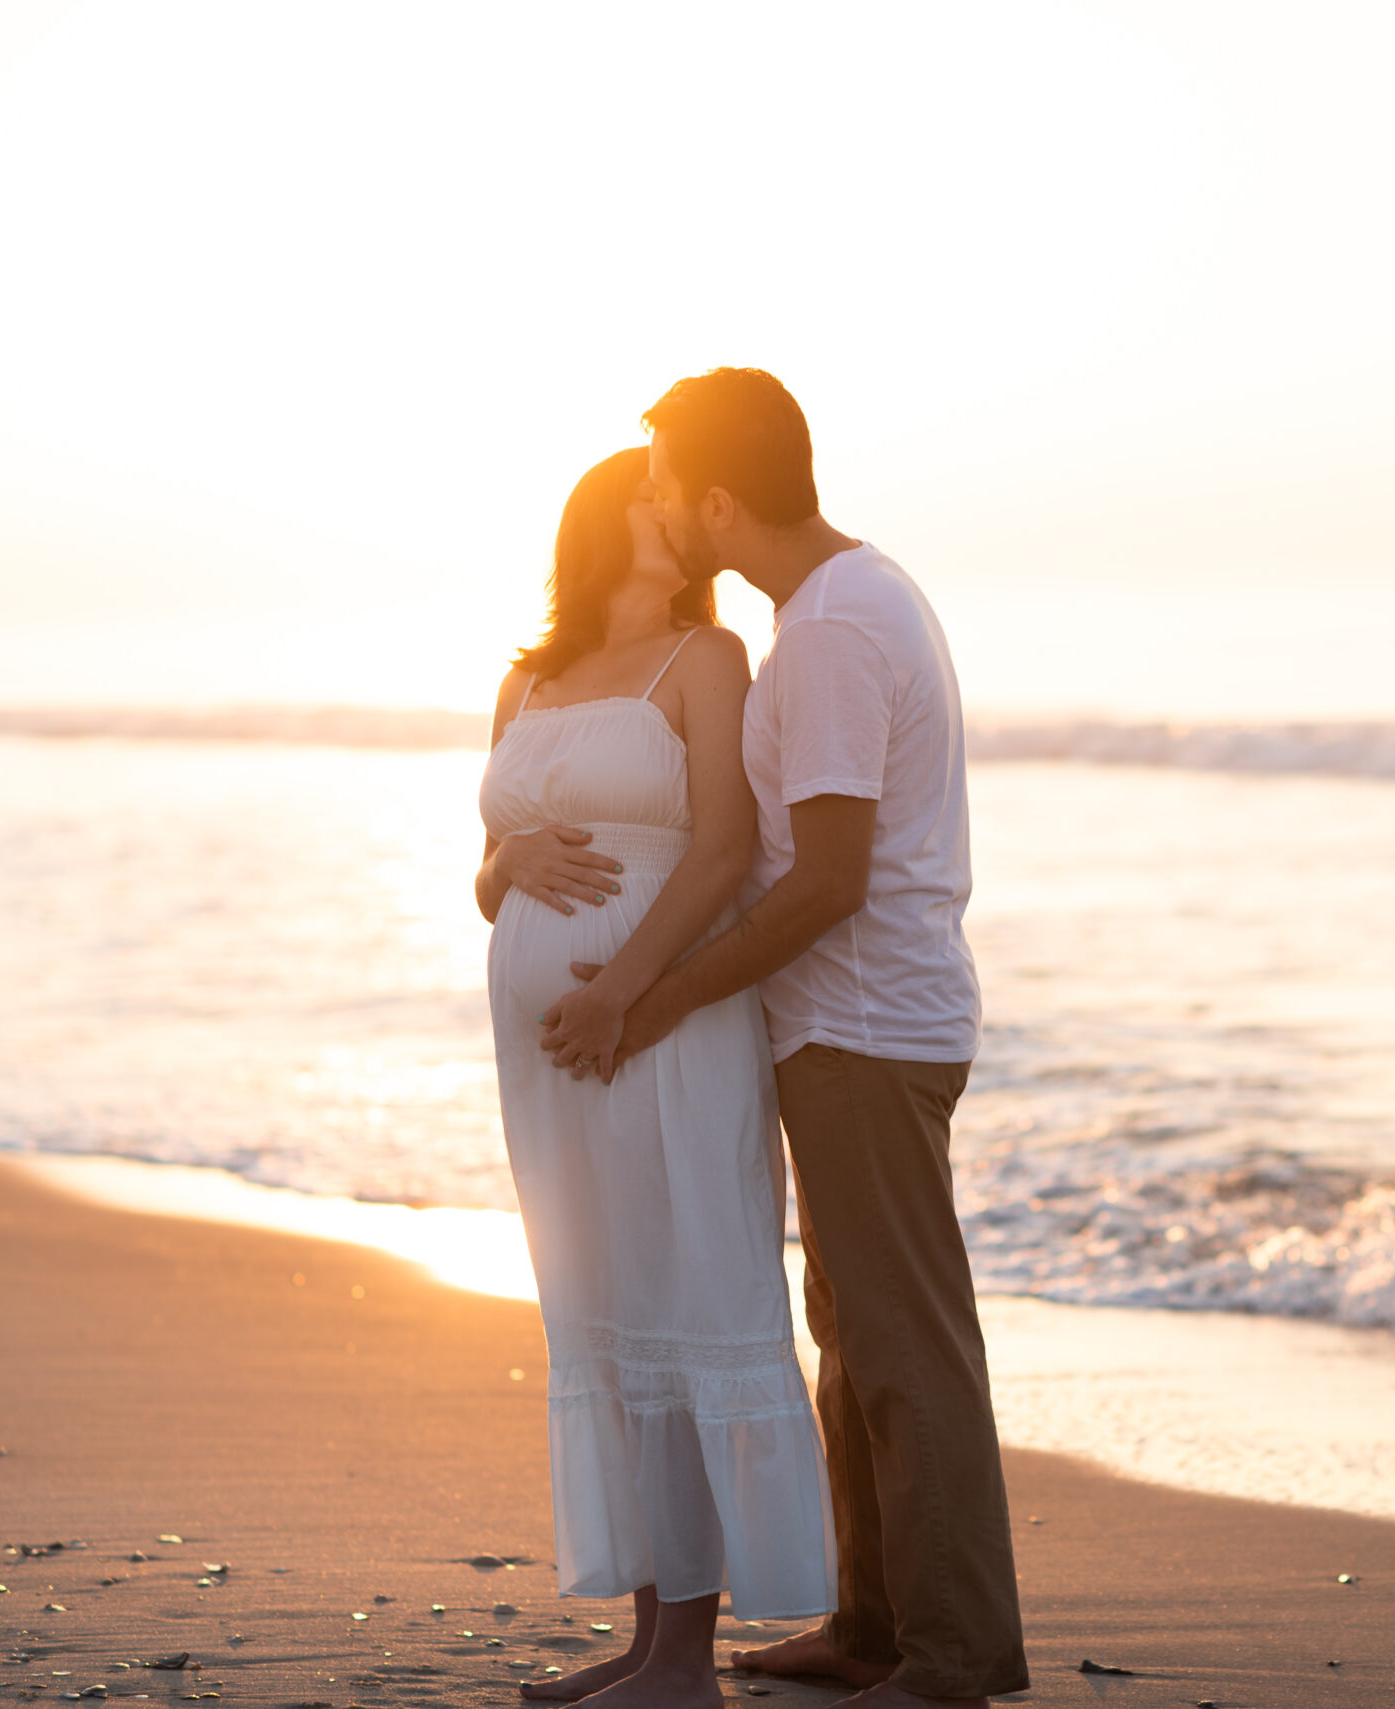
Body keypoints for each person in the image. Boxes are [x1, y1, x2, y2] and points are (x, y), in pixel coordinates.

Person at [547, 369, 1027, 1709]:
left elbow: (827, 879)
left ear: (715, 500)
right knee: (853, 1334)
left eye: (660, 487)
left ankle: (950, 1660)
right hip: (842, 1030)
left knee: (905, 1348)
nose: (648, 509)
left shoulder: (824, 637)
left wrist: (668, 991)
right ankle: (873, 1627)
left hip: (868, 1031)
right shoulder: (838, 604)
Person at [477, 444, 833, 1709]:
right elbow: (483, 878)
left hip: (662, 1025)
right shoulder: (528, 676)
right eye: (648, 492)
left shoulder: (708, 660)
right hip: (551, 1056)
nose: (672, 511)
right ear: (596, 521)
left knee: (687, 1294)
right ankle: (642, 1639)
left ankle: (686, 1659)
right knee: (608, 1308)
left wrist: (621, 987)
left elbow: (728, 851)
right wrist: (509, 859)